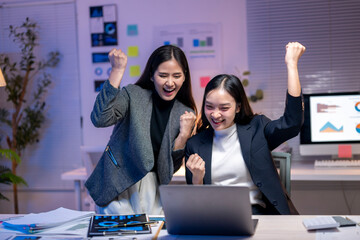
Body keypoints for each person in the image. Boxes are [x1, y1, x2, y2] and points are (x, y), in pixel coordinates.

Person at [185, 42, 306, 215]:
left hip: (257, 214)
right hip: (216, 217)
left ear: (238, 107)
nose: (215, 114)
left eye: (224, 108)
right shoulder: (195, 144)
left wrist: (292, 65)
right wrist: (197, 178)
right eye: (209, 106)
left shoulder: (257, 129)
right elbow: (195, 204)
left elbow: (292, 124)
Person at [85, 45, 197, 215]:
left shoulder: (185, 112)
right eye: (163, 75)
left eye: (177, 76)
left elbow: (170, 168)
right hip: (118, 185)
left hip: (154, 192)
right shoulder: (133, 94)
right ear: (152, 76)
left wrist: (183, 135)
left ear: (184, 77)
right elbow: (100, 118)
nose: (170, 82)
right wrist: (117, 70)